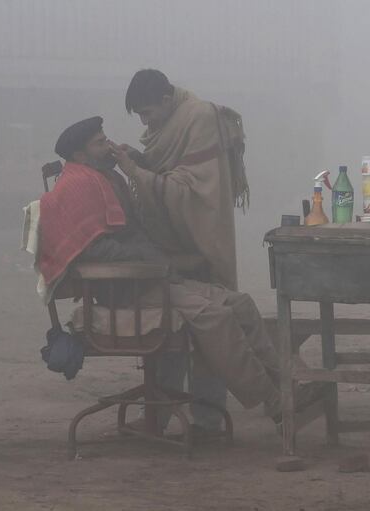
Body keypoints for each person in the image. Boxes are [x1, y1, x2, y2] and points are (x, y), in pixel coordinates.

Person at [38, 117, 320, 431]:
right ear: (79, 155)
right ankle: (276, 402)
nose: (109, 146)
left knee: (240, 304)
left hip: (149, 278)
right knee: (217, 317)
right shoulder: (78, 186)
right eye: (99, 143)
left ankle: (287, 387)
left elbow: (133, 227)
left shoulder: (106, 178)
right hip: (123, 289)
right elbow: (96, 252)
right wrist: (154, 260)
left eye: (106, 139)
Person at [111, 69, 248, 431]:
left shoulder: (199, 117)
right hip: (173, 244)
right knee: (171, 328)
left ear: (168, 101)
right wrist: (141, 161)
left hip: (200, 234)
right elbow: (168, 170)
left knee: (210, 329)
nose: (144, 122)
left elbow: (190, 189)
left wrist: (136, 172)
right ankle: (160, 411)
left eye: (147, 114)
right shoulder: (173, 121)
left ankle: (206, 418)